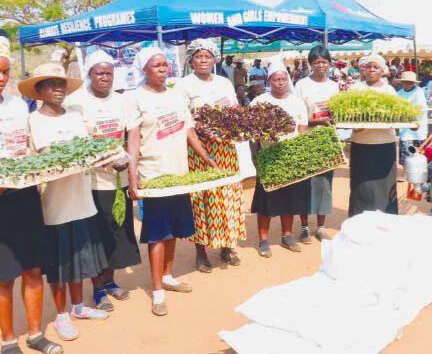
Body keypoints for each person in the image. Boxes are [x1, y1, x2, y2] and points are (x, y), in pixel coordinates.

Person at [0, 14, 63, 354]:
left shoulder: (15, 105)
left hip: (24, 195)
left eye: (6, 71)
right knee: (3, 276)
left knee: (33, 268)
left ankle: (36, 334)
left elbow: (28, 144)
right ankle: (8, 342)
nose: (2, 78)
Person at [125, 47, 216, 316]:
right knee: (157, 234)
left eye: (165, 64)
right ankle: (157, 291)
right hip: (153, 174)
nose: (163, 68)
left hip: (179, 173)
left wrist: (208, 159)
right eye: (157, 65)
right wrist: (132, 177)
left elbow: (189, 132)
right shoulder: (136, 98)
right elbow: (133, 139)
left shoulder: (176, 95)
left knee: (175, 230)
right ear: (144, 70)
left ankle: (167, 276)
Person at [22, 63, 110, 341]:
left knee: (80, 258)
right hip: (54, 205)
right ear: (38, 91)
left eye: (61, 83)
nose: (58, 89)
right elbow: (30, 161)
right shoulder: (33, 122)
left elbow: (93, 147)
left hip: (82, 200)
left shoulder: (75, 116)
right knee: (60, 264)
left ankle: (78, 307)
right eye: (50, 84)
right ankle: (61, 315)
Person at [65, 50, 141, 312]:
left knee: (117, 233)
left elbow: (132, 134)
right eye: (99, 73)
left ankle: (110, 282)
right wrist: (105, 161)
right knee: (96, 235)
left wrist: (130, 169)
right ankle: (97, 290)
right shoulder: (76, 102)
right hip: (92, 182)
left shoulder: (122, 100)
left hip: (118, 180)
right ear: (89, 74)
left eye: (109, 72)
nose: (105, 77)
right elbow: (77, 143)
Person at [174, 39, 246, 272]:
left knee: (226, 197)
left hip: (225, 150)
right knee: (201, 201)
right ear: (191, 60)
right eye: (198, 57)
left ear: (214, 59)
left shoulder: (224, 82)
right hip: (199, 152)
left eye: (207, 56)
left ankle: (226, 246)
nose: (203, 60)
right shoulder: (183, 85)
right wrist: (204, 146)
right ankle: (201, 252)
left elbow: (235, 111)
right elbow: (185, 124)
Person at [250, 60, 309, 258]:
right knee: (266, 201)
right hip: (268, 156)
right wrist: (255, 157)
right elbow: (253, 133)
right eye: (276, 79)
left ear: (288, 80)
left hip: (290, 157)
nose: (281, 82)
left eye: (284, 79)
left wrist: (297, 146)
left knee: (290, 200)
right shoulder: (259, 102)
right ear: (270, 80)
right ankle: (263, 240)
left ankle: (287, 235)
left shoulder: (296, 101)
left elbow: (302, 125)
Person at [295, 46, 339, 243]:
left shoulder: (334, 86)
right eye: (316, 62)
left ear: (329, 63)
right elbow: (297, 114)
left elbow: (337, 112)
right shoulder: (301, 85)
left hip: (328, 140)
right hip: (306, 138)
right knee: (305, 184)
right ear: (310, 64)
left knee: (324, 184)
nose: (320, 65)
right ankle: (304, 227)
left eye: (323, 61)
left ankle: (321, 227)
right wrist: (317, 122)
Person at [349, 54, 399, 217]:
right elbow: (348, 112)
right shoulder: (356, 88)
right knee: (361, 186)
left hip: (385, 145)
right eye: (368, 66)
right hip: (361, 144)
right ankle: (359, 220)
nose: (371, 70)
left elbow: (397, 114)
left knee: (384, 186)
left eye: (376, 67)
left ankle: (386, 220)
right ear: (363, 69)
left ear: (382, 70)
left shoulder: (389, 90)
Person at [396, 71, 428, 168]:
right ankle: (405, 172)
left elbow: (421, 109)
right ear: (402, 82)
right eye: (406, 82)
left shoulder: (419, 91)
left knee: (420, 151)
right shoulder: (399, 93)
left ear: (414, 83)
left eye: (410, 82)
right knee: (406, 151)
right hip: (405, 128)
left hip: (419, 128)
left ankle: (420, 171)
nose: (408, 84)